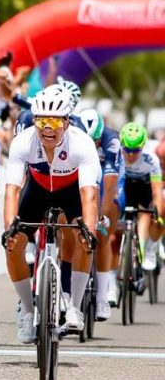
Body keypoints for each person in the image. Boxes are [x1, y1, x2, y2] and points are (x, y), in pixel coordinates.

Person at [3, 84, 100, 343]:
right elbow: (12, 190)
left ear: (67, 122)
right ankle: (26, 308)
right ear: (34, 120)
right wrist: (9, 227)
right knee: (12, 245)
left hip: (71, 191)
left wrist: (88, 230)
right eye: (42, 120)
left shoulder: (82, 144)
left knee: (84, 239)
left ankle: (75, 307)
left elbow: (89, 194)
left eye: (55, 121)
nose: (48, 128)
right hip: (37, 190)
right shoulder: (23, 142)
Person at [77, 108, 121, 320]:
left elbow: (110, 184)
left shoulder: (111, 141)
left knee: (102, 235)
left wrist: (100, 214)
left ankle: (103, 297)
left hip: (107, 183)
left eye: (95, 142)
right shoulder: (75, 134)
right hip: (83, 178)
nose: (92, 146)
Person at [117, 123, 164, 289]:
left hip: (144, 188)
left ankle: (147, 248)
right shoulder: (116, 155)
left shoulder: (151, 159)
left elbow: (157, 191)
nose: (130, 155)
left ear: (142, 147)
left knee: (149, 213)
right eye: (126, 150)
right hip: (125, 187)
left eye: (135, 150)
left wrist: (157, 215)